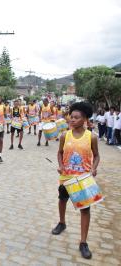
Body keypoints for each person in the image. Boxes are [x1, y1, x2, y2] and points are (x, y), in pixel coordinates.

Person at [52, 102, 100, 260]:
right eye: (71, 116)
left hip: (83, 179)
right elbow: (59, 153)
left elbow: (97, 155)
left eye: (76, 117)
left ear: (85, 119)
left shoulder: (91, 137)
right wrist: (60, 165)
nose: (72, 119)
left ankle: (83, 242)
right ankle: (62, 222)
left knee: (85, 209)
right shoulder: (65, 135)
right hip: (66, 177)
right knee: (62, 200)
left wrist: (93, 168)